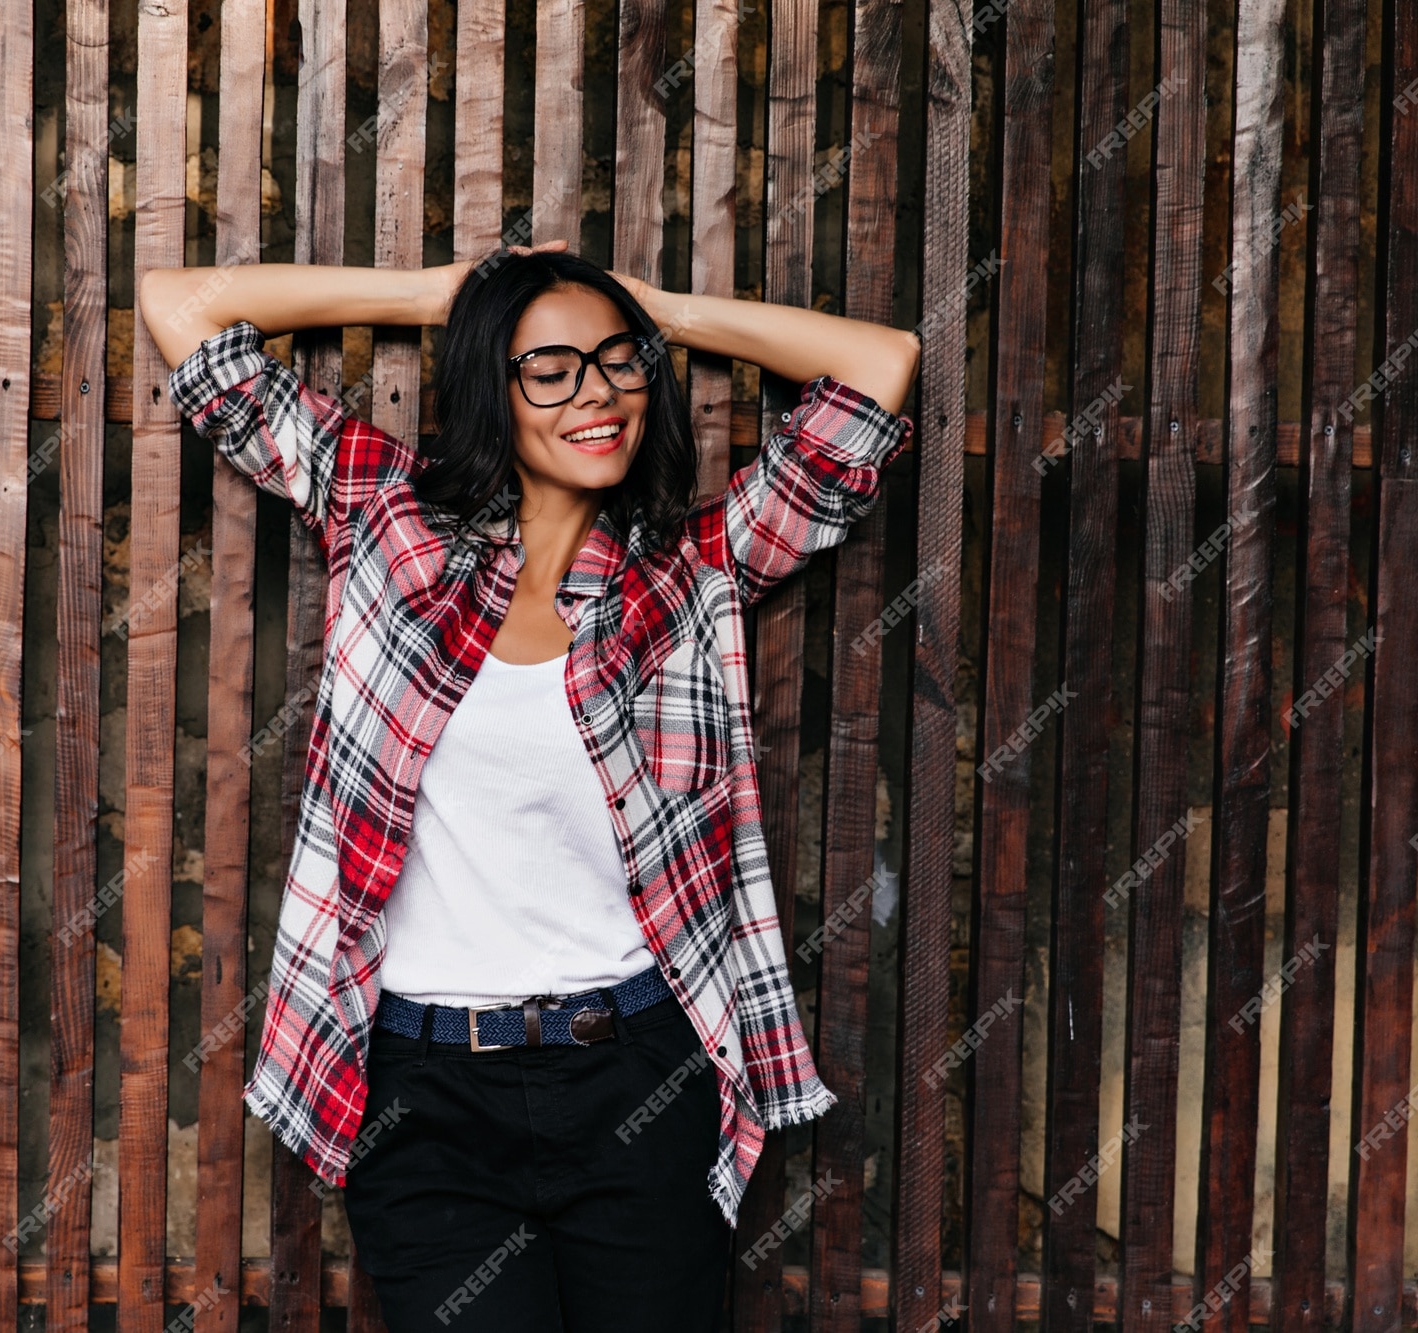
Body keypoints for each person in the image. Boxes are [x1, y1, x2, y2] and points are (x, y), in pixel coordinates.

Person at [139, 241, 917, 1332]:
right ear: (485, 389)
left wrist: (655, 311)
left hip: (637, 1077)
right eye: (547, 369)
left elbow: (881, 365)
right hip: (424, 1088)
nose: (593, 395)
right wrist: (432, 297)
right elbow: (181, 306)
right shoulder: (387, 521)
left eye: (614, 364)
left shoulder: (693, 569)